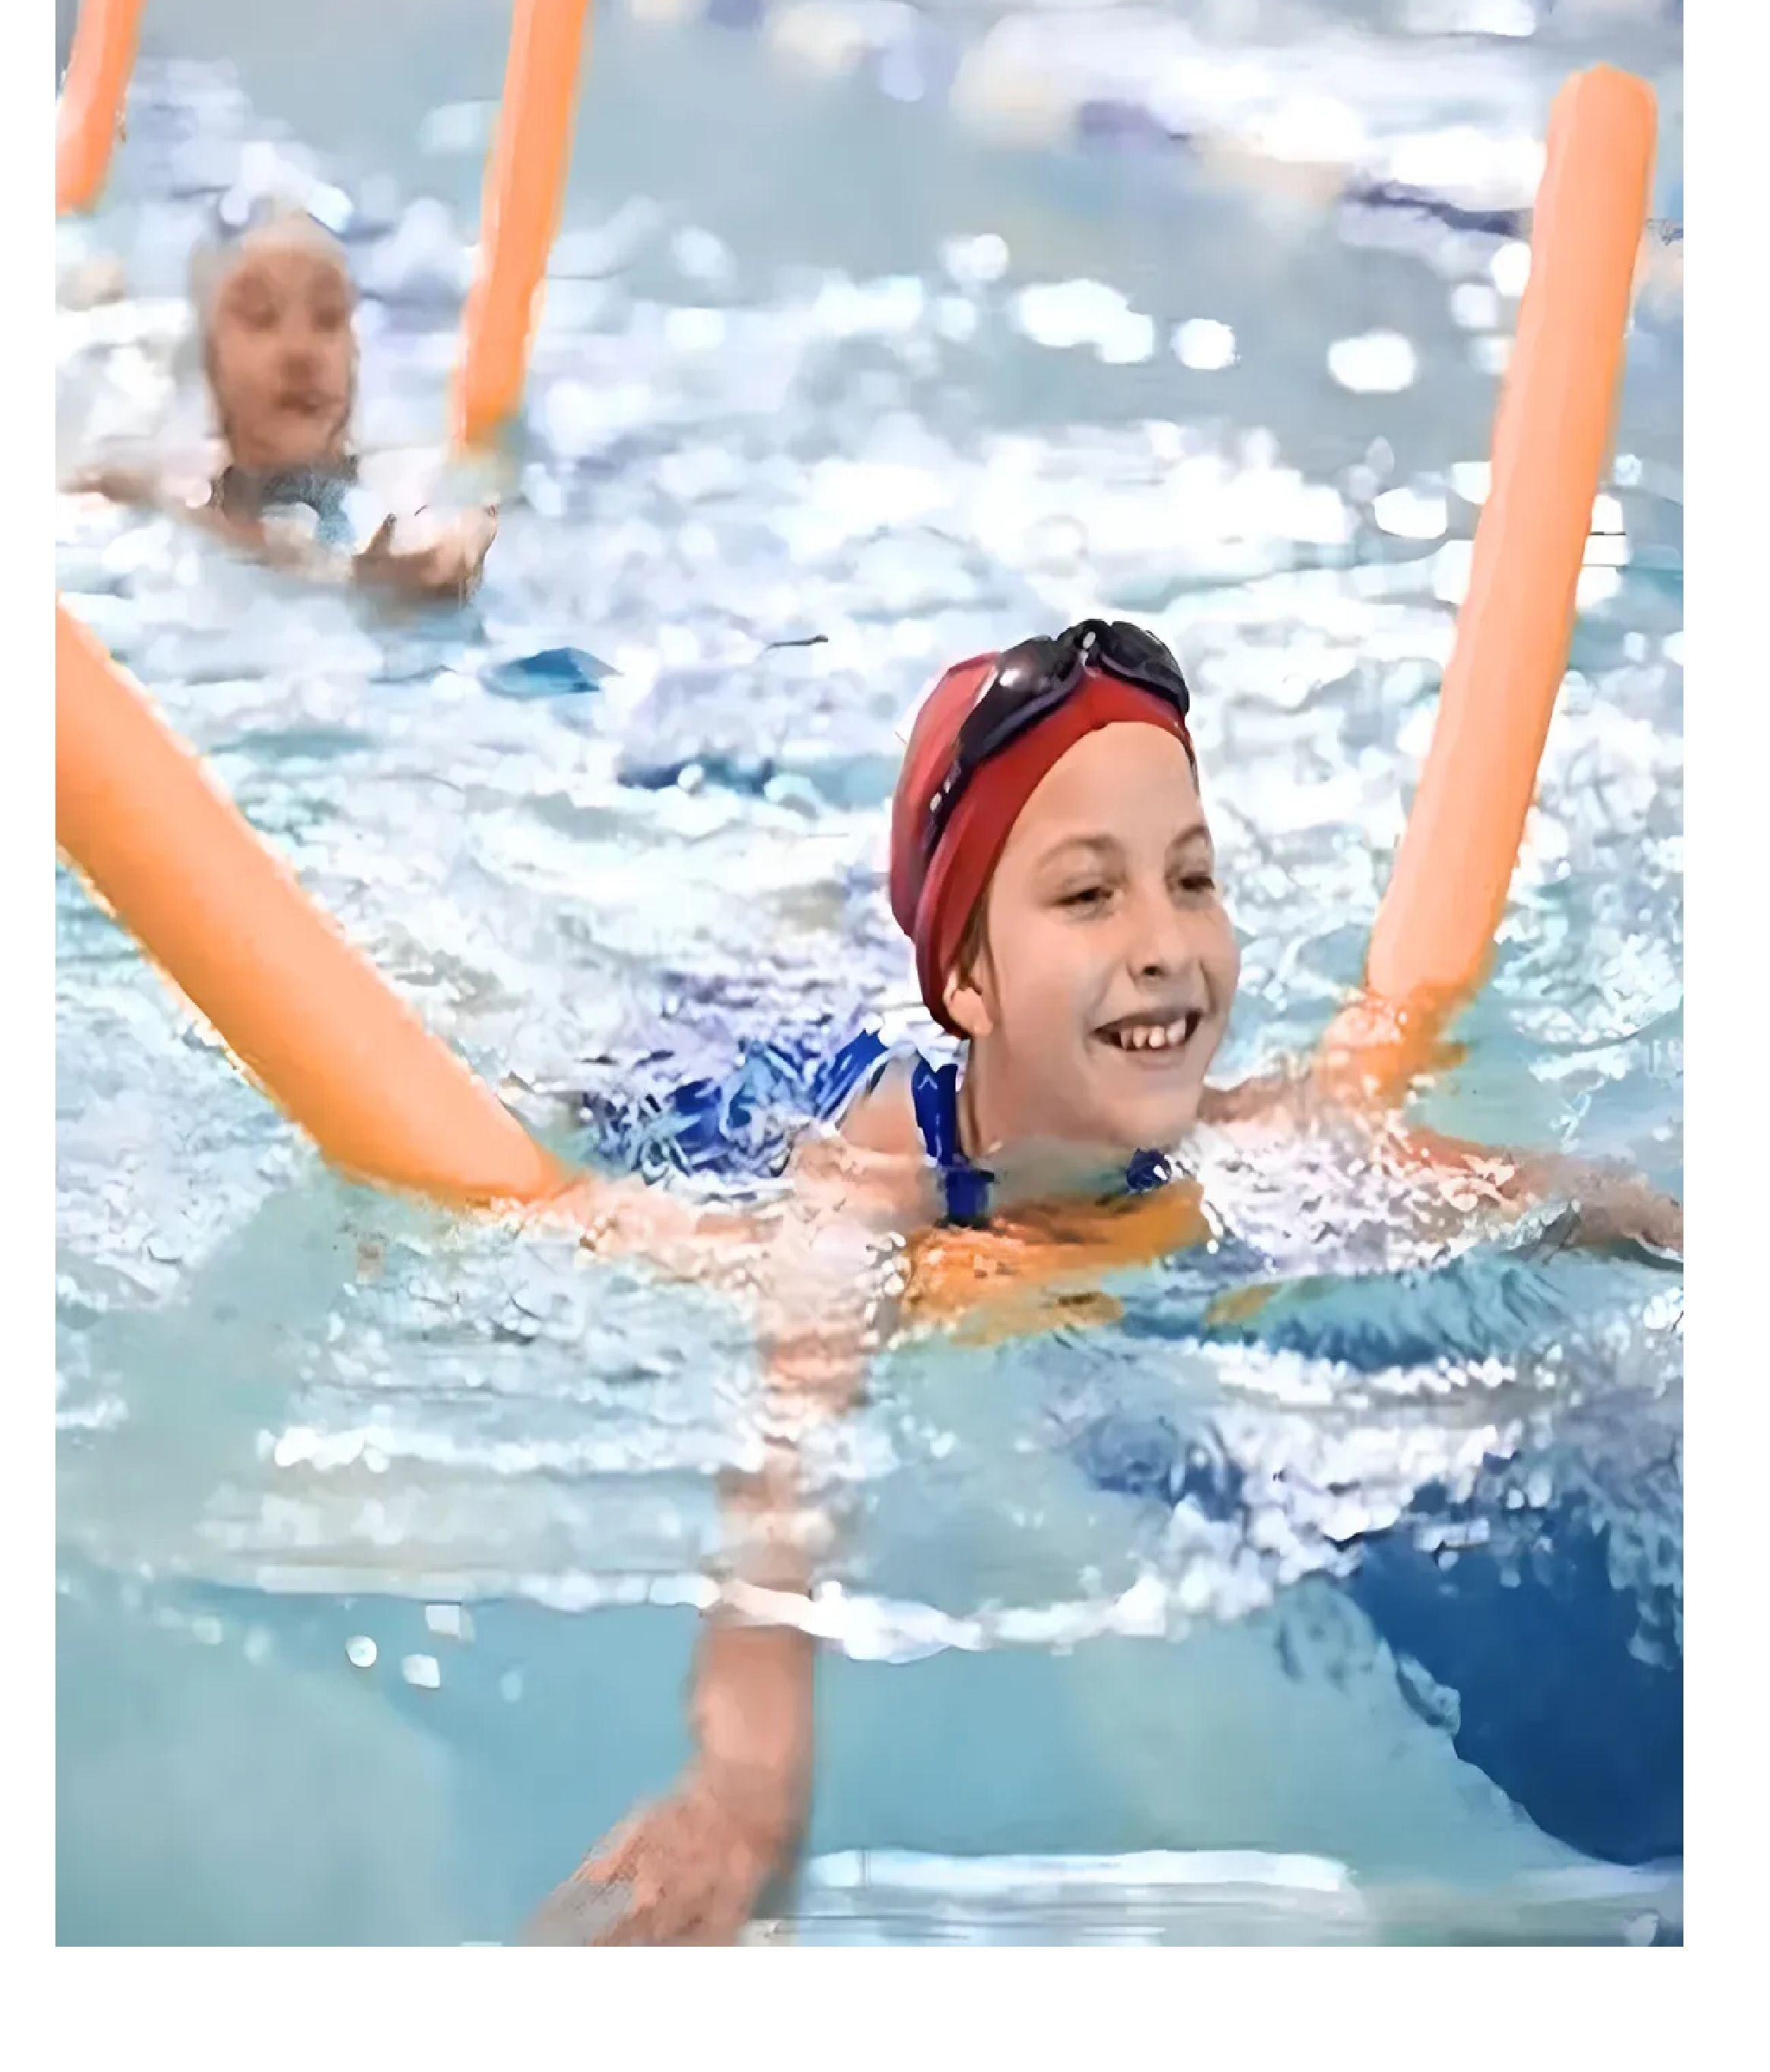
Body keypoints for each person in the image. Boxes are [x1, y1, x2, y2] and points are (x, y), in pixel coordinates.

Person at [525, 617, 1682, 1944]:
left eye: (1191, 881)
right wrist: (746, 1792)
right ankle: (797, 925)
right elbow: (787, 1485)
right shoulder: (859, 1202)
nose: (1163, 942)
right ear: (967, 979)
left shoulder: (1241, 1124)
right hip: (713, 1075)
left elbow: (1554, 1195)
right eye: (1090, 895)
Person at [65, 207, 500, 604]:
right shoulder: (152, 493)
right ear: (208, 358)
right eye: (261, 316)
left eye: (329, 318)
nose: (300, 352)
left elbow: (440, 515)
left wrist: (443, 546)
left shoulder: (401, 483)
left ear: (354, 355)